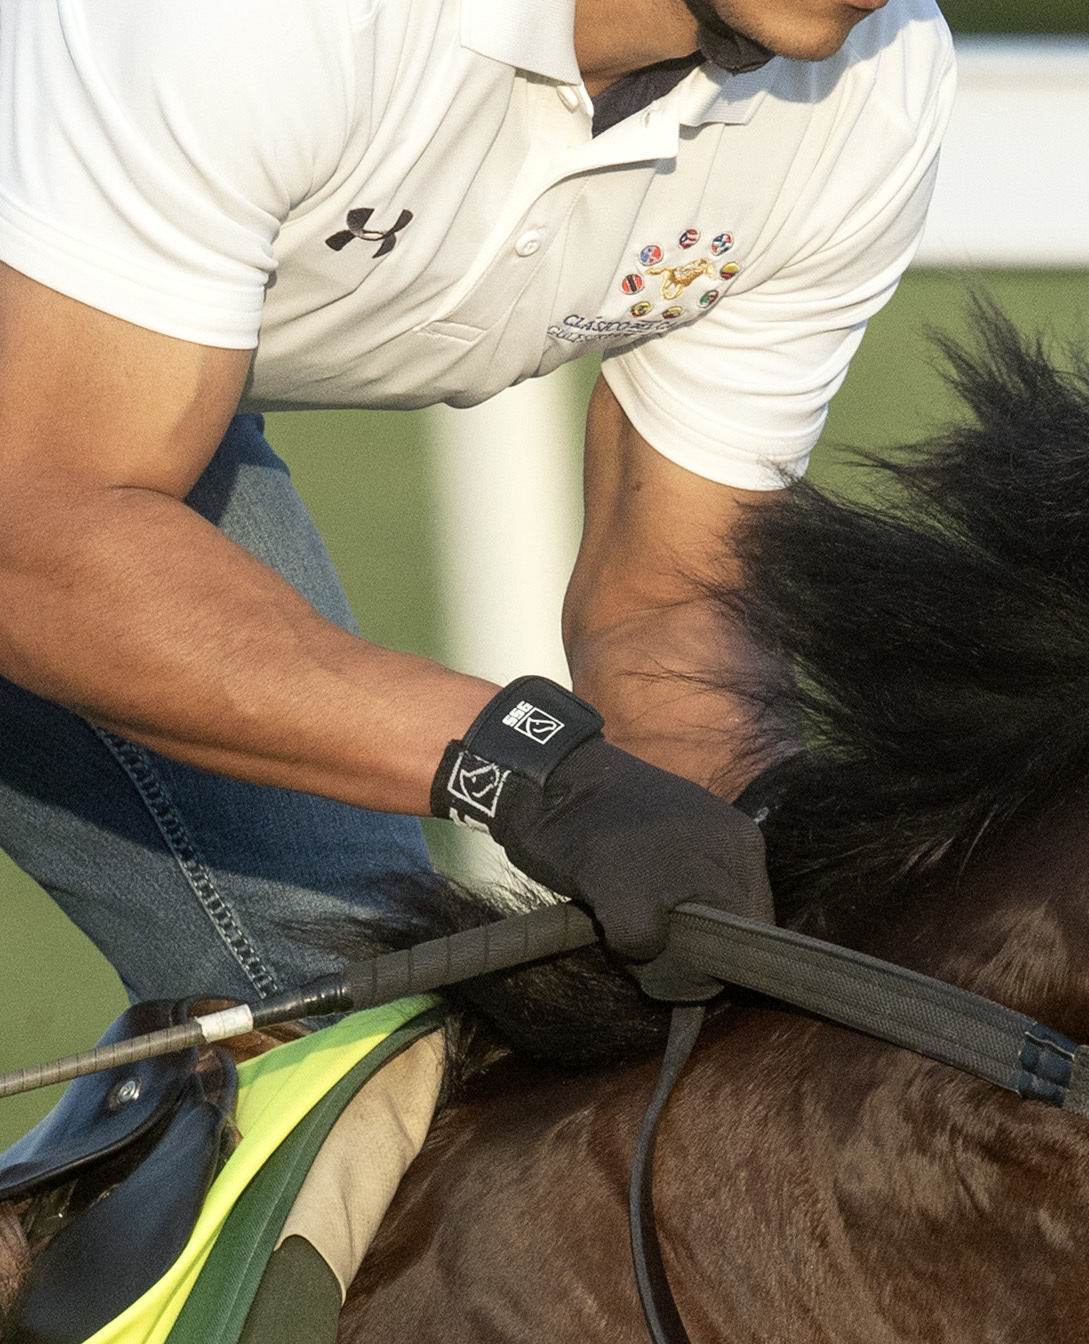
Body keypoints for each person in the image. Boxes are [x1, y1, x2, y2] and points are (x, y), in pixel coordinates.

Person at [0, 0, 954, 1008]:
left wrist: (787, 860)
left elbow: (670, 601)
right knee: (345, 1002)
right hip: (51, 478)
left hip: (69, 440)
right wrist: (534, 766)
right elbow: (42, 533)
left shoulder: (875, 85)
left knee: (364, 1011)